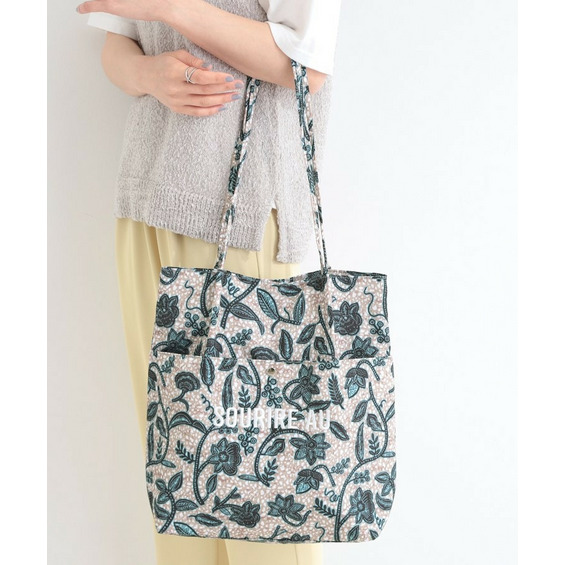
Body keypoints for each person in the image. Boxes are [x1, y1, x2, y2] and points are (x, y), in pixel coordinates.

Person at [77, 1, 342, 564]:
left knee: (263, 495)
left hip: (244, 220)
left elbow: (307, 64)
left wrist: (171, 7)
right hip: (147, 205)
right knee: (178, 475)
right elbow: (115, 41)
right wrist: (149, 74)